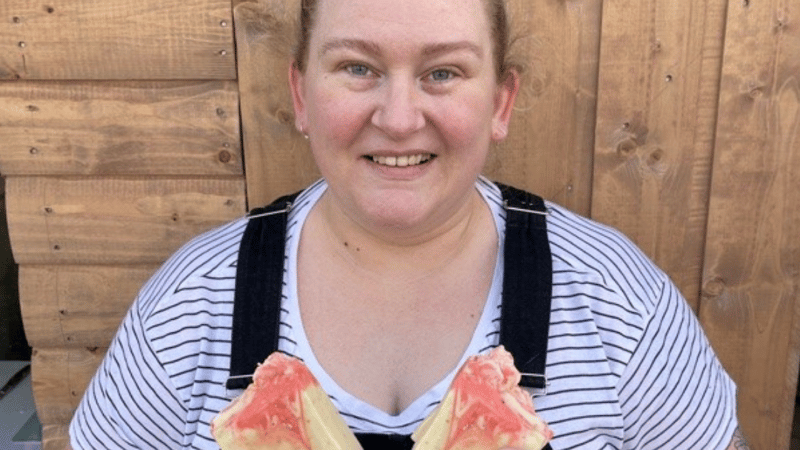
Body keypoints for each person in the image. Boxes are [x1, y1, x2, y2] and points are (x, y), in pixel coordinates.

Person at [68, 0, 750, 448]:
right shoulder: (191, 305)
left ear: (501, 101)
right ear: (303, 93)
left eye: (443, 72)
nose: (398, 118)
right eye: (358, 67)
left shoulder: (619, 304)